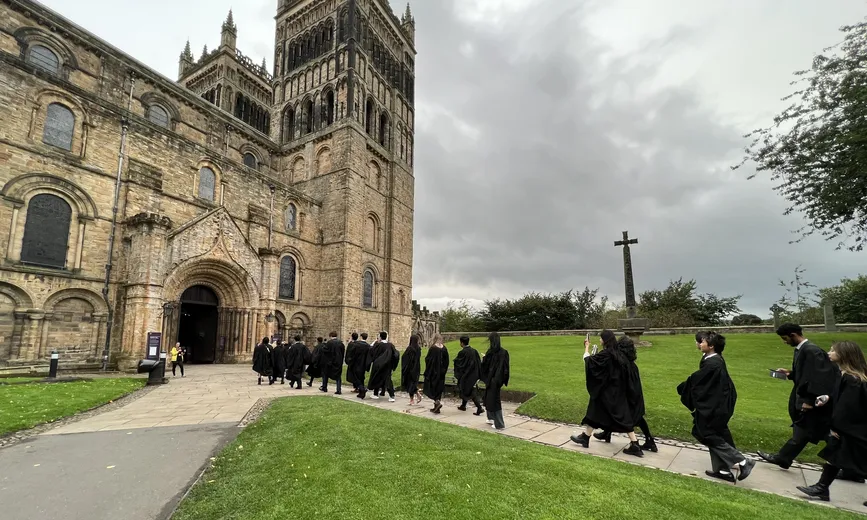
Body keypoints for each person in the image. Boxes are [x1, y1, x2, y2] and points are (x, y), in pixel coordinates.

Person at [758, 323, 841, 471]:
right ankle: (784, 458)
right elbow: (805, 374)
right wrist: (790, 373)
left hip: (811, 400)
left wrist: (809, 400)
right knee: (808, 431)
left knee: (813, 430)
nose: (784, 342)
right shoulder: (801, 350)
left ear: (793, 335)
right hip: (805, 398)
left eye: (785, 338)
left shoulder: (811, 351)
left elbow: (818, 378)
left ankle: (851, 467)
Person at [677, 332, 755, 483]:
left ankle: (743, 461)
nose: (698, 344)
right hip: (717, 402)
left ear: (711, 346)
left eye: (702, 342)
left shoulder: (713, 364)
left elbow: (697, 381)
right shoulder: (712, 359)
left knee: (705, 433)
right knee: (717, 434)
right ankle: (723, 470)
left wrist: (683, 387)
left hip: (715, 405)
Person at [797, 341, 867, 501]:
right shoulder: (846, 376)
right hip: (853, 427)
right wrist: (828, 397)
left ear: (843, 355)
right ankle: (821, 489)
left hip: (854, 429)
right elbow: (843, 398)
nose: (829, 352)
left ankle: (821, 488)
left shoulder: (852, 379)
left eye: (832, 350)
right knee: (836, 457)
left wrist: (836, 427)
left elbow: (847, 407)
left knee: (857, 460)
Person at [571, 332, 645, 456]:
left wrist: (587, 347)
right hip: (618, 391)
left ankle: (634, 444)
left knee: (615, 416)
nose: (600, 339)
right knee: (598, 412)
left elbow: (589, 362)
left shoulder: (606, 354)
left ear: (605, 340)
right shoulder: (617, 353)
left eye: (601, 338)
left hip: (607, 392)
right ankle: (586, 437)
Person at [592, 332, 656, 452]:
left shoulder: (623, 364)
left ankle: (642, 442)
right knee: (634, 417)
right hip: (635, 395)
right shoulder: (632, 364)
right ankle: (608, 433)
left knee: (624, 416)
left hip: (628, 395)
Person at [480, 332, 510, 430]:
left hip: (492, 379)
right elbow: (505, 368)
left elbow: (485, 366)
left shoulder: (491, 352)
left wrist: (484, 358)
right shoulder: (503, 352)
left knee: (494, 400)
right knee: (488, 398)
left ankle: (499, 424)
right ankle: (490, 418)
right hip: (497, 380)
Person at [454, 335, 484, 415]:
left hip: (466, 375)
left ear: (462, 343)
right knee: (466, 389)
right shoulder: (474, 351)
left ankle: (479, 408)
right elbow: (478, 363)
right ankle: (463, 405)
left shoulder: (462, 352)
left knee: (468, 390)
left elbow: (459, 364)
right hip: (474, 374)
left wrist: (455, 362)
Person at [366, 331, 399, 401]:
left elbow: (371, 350)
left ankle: (375, 394)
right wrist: (393, 364)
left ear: (380, 337)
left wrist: (373, 343)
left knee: (377, 377)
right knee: (388, 380)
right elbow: (396, 355)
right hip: (387, 366)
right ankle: (391, 396)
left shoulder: (378, 345)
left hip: (378, 365)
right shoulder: (390, 345)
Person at [423, 335, 450, 414]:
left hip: (433, 372)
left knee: (432, 387)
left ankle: (437, 403)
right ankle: (436, 408)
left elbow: (428, 360)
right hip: (441, 372)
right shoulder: (444, 348)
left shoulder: (433, 348)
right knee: (439, 388)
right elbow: (446, 361)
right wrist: (444, 370)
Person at [401, 334, 423, 405]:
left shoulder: (410, 349)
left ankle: (412, 399)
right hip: (417, 368)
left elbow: (405, 358)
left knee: (410, 383)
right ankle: (415, 396)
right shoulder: (418, 348)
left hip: (410, 368)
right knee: (413, 382)